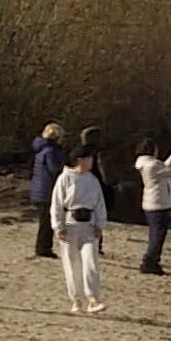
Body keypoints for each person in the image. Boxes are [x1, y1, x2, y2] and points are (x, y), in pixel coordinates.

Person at [50, 146, 108, 314]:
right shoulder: (64, 179)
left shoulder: (92, 180)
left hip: (88, 226)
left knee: (90, 262)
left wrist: (100, 225)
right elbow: (57, 204)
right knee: (71, 263)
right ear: (79, 160)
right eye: (88, 158)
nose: (91, 162)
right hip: (69, 225)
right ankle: (76, 300)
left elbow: (99, 204)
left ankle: (93, 298)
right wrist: (58, 227)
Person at [135, 137, 171, 276]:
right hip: (157, 203)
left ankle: (151, 259)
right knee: (158, 234)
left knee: (156, 233)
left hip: (153, 202)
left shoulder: (148, 164)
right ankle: (150, 261)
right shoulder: (152, 165)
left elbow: (165, 166)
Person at [29, 123, 66, 258]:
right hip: (46, 190)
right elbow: (54, 170)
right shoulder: (51, 151)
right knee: (46, 221)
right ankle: (43, 248)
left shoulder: (42, 150)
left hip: (40, 189)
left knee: (45, 220)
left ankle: (43, 247)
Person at [80, 126, 112, 254]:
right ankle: (96, 244)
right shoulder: (98, 153)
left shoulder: (78, 153)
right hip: (96, 186)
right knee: (97, 216)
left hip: (82, 187)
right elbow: (104, 173)